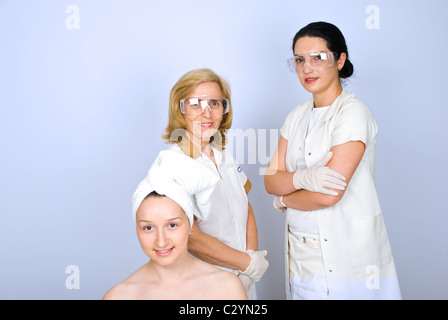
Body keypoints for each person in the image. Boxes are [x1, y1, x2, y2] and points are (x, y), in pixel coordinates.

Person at [264, 22, 401, 300]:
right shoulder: (296, 116)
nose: (307, 68)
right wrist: (304, 179)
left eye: (318, 57)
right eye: (300, 60)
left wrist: (285, 199)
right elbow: (269, 179)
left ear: (340, 60)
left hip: (346, 255)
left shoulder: (353, 113)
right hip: (301, 255)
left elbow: (329, 195)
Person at [161, 68, 268, 299]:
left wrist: (250, 262)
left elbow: (246, 206)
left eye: (215, 103)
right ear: (180, 109)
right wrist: (248, 263)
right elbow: (189, 236)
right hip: (206, 285)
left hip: (243, 277)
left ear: (223, 110)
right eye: (196, 104)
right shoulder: (174, 164)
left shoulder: (222, 153)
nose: (206, 113)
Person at [103, 150, 248, 300]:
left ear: (190, 224)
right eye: (148, 228)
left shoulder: (227, 288)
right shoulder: (118, 296)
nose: (161, 241)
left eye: (172, 225)